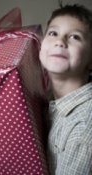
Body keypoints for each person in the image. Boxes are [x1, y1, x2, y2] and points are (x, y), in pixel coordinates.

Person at [39, 3, 92, 175]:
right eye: (53, 33)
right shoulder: (45, 97)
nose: (60, 42)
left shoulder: (84, 130)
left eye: (75, 37)